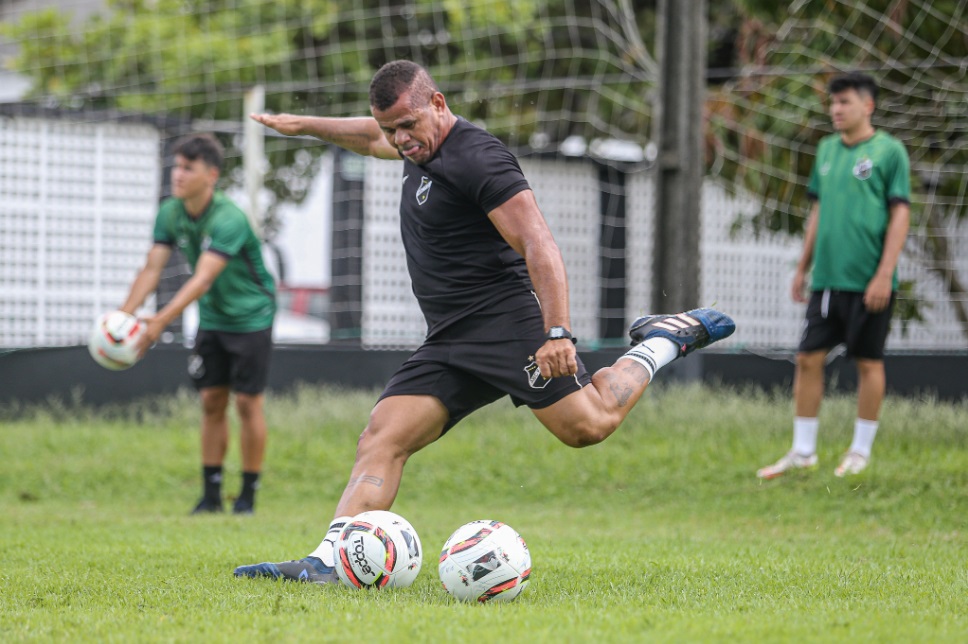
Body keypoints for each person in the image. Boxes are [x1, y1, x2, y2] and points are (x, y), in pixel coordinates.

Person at [235, 60, 734, 584]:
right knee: (381, 438)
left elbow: (537, 241)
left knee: (588, 425)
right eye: (391, 130)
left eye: (407, 125)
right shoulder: (415, 145)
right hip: (449, 336)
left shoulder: (478, 158)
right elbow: (368, 136)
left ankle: (662, 340)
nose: (400, 140)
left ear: (439, 103)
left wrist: (557, 330)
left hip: (506, 323)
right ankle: (328, 563)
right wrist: (304, 124)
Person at [757, 72, 911, 480]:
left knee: (868, 362)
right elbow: (818, 212)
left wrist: (884, 274)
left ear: (867, 106)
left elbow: (900, 214)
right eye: (833, 103)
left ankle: (860, 453)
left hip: (870, 283)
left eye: (844, 102)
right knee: (807, 358)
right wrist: (803, 267)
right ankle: (803, 451)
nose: (836, 110)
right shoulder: (826, 150)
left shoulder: (889, 152)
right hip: (827, 281)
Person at [120, 133, 277, 514]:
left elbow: (202, 278)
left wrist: (158, 322)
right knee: (210, 401)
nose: (178, 174)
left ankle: (247, 498)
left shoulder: (230, 218)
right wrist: (123, 318)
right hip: (211, 317)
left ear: (211, 175)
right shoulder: (170, 212)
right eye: (176, 166)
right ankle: (210, 497)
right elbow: (152, 268)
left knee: (246, 404)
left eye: (187, 168)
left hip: (251, 316)